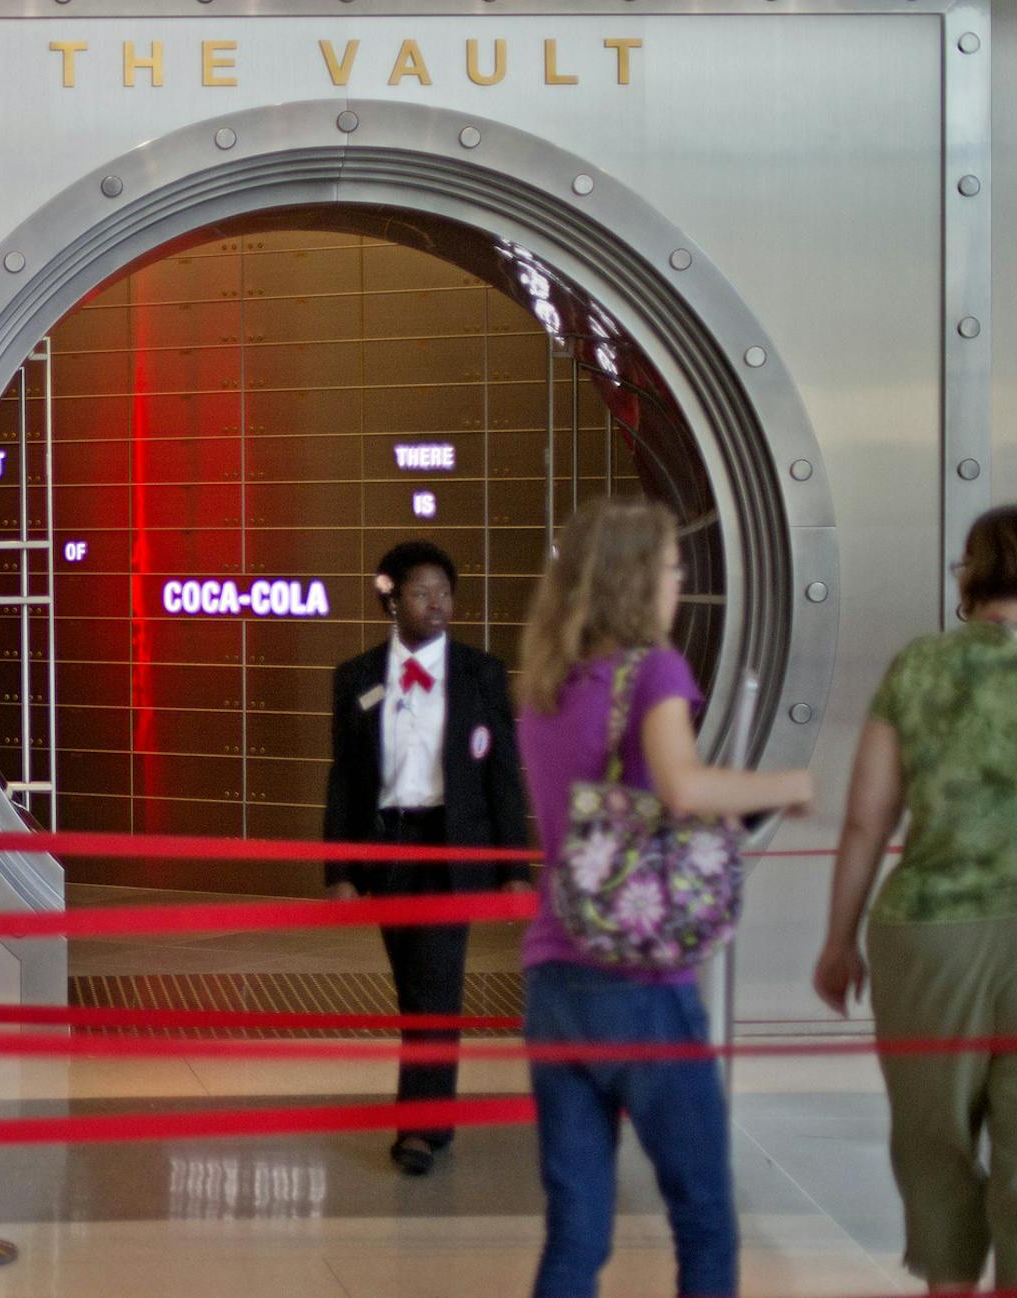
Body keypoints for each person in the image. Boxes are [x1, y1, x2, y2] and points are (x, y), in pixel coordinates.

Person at [516, 498, 812, 1298]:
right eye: (674, 568)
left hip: (554, 979)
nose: (681, 583)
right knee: (704, 1218)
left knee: (576, 1229)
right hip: (640, 986)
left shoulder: (544, 687)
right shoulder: (654, 671)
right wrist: (787, 783)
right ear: (637, 578)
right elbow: (682, 786)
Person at [813, 503, 1017, 1294]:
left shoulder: (920, 666)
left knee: (935, 1143)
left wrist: (839, 941)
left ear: (971, 576)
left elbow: (868, 818)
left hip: (929, 936)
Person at [323, 539, 532, 1176]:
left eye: (445, 592)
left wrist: (514, 869)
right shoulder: (357, 677)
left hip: (450, 849)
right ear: (392, 600)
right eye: (421, 592)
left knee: (436, 987)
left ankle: (421, 1128)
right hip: (388, 849)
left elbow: (502, 777)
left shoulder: (481, 673)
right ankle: (430, 1119)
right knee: (416, 991)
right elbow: (346, 779)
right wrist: (339, 870)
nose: (436, 604)